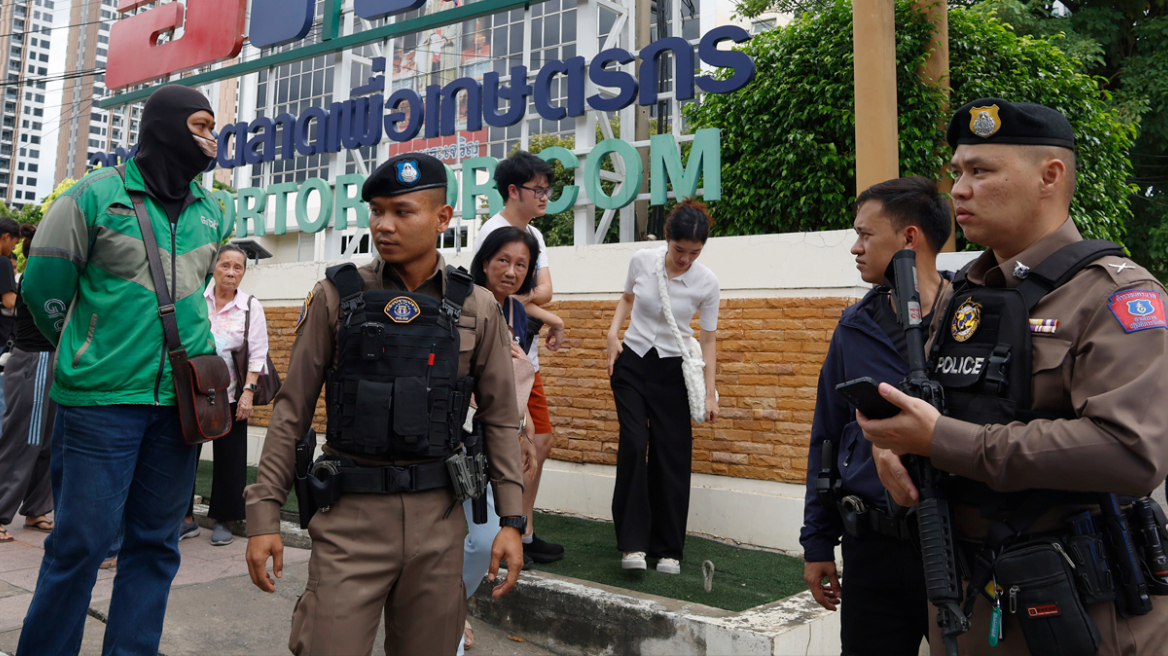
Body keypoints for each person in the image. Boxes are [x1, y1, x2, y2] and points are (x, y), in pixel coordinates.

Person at [861, 98, 1168, 655]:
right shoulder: (966, 295)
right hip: (971, 598)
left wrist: (943, 441)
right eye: (957, 172)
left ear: (1050, 176)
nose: (957, 189)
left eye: (981, 171)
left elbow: (1131, 451)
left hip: (1082, 609)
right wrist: (898, 451)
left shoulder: (1115, 294)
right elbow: (951, 409)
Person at [243, 153, 526, 656]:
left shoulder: (477, 307)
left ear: (443, 217)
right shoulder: (336, 296)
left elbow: (501, 419)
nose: (383, 225)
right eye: (376, 211)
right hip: (351, 519)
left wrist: (511, 521)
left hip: (439, 523)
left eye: (401, 211)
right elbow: (292, 412)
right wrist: (265, 515)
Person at [16, 84, 228, 656]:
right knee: (81, 545)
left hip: (180, 403)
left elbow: (193, 295)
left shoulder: (215, 212)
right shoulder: (92, 197)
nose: (211, 139)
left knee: (157, 544)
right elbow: (43, 288)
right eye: (201, 125)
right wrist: (90, 344)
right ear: (165, 125)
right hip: (100, 402)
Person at [799, 176, 951, 655]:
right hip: (873, 550)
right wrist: (818, 543)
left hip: (954, 545)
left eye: (866, 234)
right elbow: (825, 435)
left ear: (909, 238)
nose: (855, 248)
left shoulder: (973, 319)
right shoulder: (854, 327)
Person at [605, 199, 720, 574]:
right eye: (679, 249)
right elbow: (626, 298)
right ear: (667, 238)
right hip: (633, 364)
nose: (685, 258)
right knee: (636, 445)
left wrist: (709, 391)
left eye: (694, 252)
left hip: (674, 371)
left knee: (673, 455)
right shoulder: (642, 260)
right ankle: (633, 545)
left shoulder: (707, 282)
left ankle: (668, 549)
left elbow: (708, 340)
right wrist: (612, 334)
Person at [474, 150, 565, 565]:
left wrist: (549, 315)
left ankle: (523, 530)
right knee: (509, 445)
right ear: (513, 191)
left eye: (548, 189)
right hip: (500, 361)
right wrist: (540, 304)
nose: (546, 196)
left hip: (525, 357)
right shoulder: (491, 232)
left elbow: (542, 292)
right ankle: (504, 533)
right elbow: (493, 294)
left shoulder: (535, 234)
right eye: (538, 189)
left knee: (539, 441)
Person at [460, 225, 542, 653]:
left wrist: (525, 433)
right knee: (472, 536)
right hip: (457, 438)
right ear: (485, 261)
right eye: (503, 260)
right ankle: (446, 617)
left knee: (486, 535)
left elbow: (516, 381)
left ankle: (451, 608)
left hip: (499, 442)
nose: (511, 271)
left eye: (521, 264)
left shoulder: (519, 315)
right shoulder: (461, 302)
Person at [179, 243, 270, 546]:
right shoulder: (195, 300)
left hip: (231, 394)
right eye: (225, 265)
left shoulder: (250, 307)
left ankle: (224, 519)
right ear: (214, 268)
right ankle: (185, 518)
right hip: (193, 391)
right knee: (183, 454)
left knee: (230, 458)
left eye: (238, 267)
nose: (231, 273)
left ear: (244, 272)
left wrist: (248, 394)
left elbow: (257, 355)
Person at [0, 225, 56, 543]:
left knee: (48, 444)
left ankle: (36, 510)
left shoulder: (49, 273)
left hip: (52, 363)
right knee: (24, 441)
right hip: (34, 363)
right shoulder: (38, 274)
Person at [0, 218, 20, 424]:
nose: (11, 249)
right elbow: (9, 302)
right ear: (6, 237)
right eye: (13, 244)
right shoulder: (3, 262)